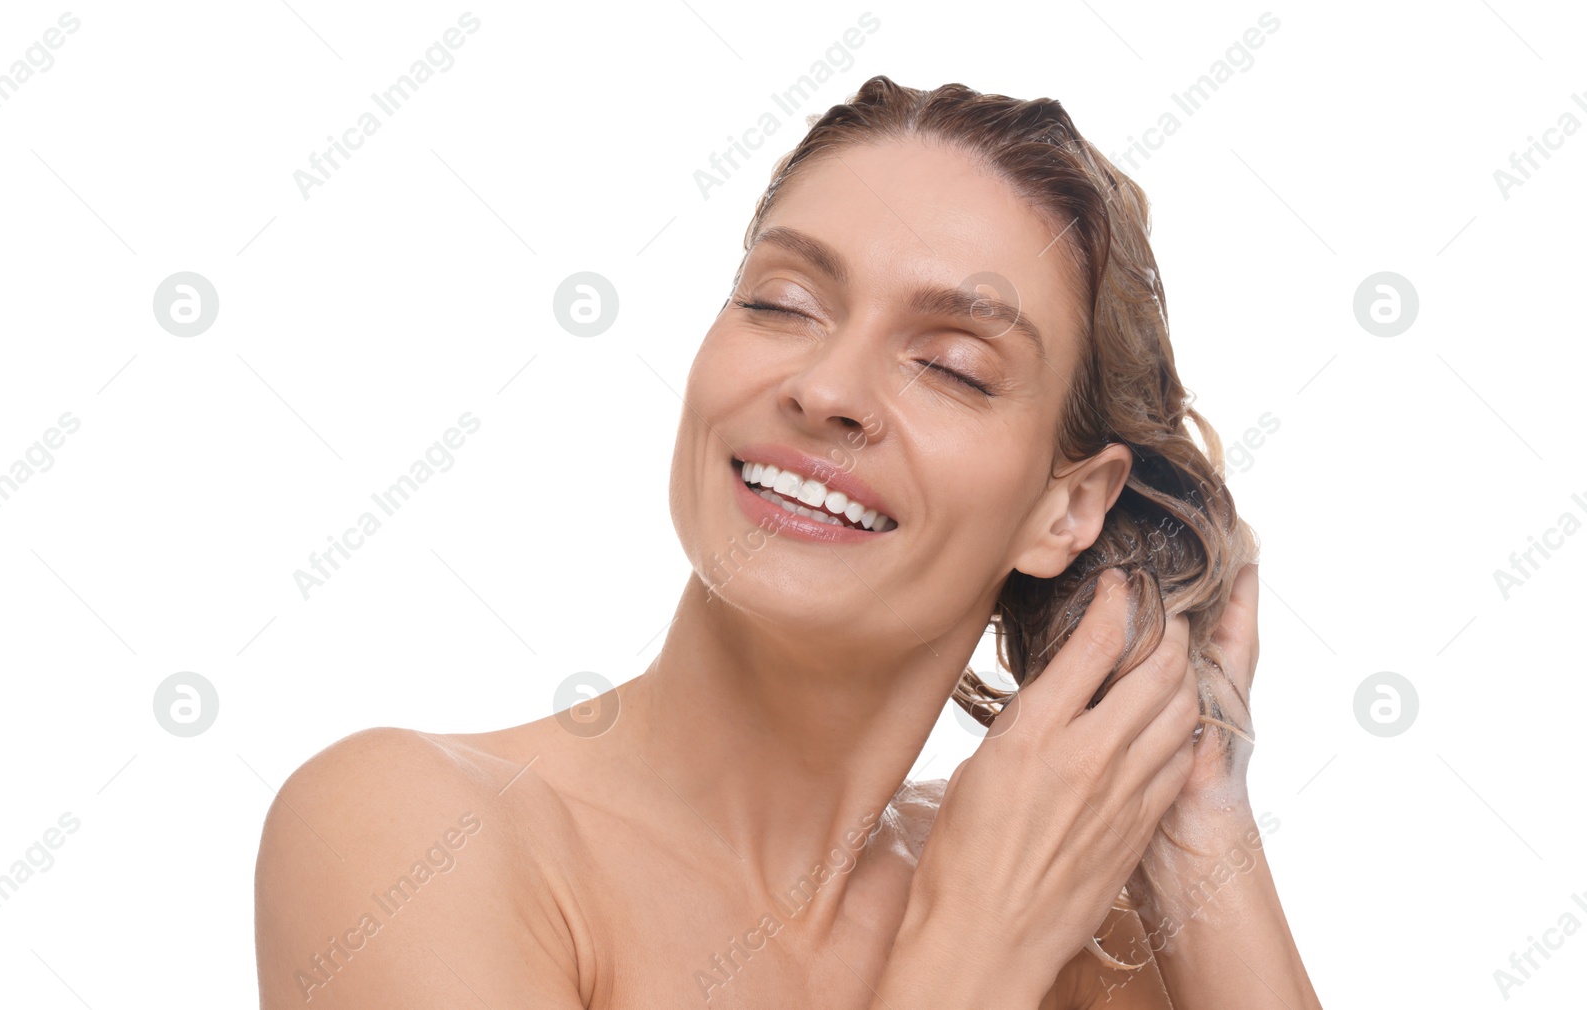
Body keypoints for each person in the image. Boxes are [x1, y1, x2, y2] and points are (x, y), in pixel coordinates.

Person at [254, 75, 1322, 1009]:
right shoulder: (410, 834)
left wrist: (1195, 824)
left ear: (1068, 509)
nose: (824, 389)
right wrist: (970, 949)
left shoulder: (1061, 890)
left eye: (951, 364)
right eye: (782, 302)